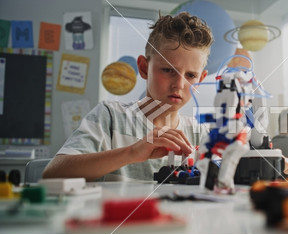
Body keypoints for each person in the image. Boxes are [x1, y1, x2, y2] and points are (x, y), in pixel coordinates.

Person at [43, 12, 213, 181]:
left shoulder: (201, 134)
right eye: (168, 70)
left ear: (201, 80)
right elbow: (53, 173)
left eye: (190, 75)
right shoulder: (110, 116)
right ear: (144, 68)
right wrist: (132, 153)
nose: (179, 84)